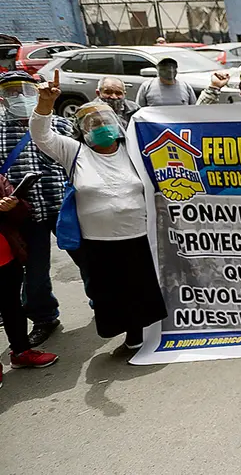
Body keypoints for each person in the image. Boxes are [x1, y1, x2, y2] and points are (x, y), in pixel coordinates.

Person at [31, 72, 167, 350]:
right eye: (92, 123)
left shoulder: (135, 150)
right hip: (98, 242)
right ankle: (124, 330)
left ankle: (140, 335)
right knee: (109, 293)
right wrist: (45, 104)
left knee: (141, 288)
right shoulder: (75, 152)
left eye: (105, 121)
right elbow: (41, 136)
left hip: (138, 236)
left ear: (116, 124)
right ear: (83, 129)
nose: (100, 126)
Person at [0, 71, 89, 346]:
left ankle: (104, 304)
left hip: (64, 207)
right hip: (25, 213)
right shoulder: (0, 132)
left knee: (87, 260)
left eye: (24, 90)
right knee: (35, 273)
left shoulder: (60, 125)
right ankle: (44, 318)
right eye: (10, 92)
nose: (19, 97)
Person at [0, 170, 59, 384]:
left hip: (6, 255)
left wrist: (13, 204)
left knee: (12, 307)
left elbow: (21, 215)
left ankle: (21, 352)